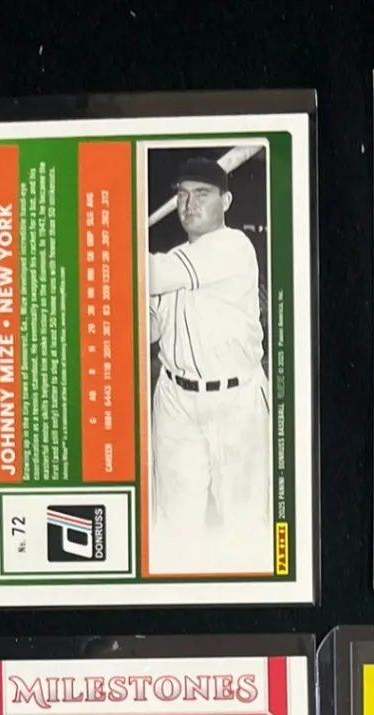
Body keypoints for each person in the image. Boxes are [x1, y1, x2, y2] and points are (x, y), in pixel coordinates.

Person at [147, 156, 271, 566]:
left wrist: (114, 235)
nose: (189, 204)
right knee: (173, 529)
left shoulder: (233, 247)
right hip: (176, 402)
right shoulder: (175, 259)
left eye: (202, 194)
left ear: (226, 201)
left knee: (244, 530)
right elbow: (151, 329)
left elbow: (150, 274)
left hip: (236, 403)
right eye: (183, 195)